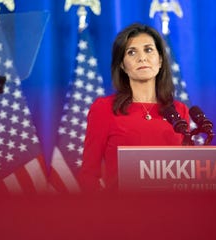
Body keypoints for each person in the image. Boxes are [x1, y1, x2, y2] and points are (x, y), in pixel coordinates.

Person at [78, 23, 189, 192]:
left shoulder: (179, 111)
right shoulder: (104, 108)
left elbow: (187, 174)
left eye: (148, 50)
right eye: (131, 52)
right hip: (123, 213)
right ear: (122, 65)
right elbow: (88, 174)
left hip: (171, 211)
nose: (142, 58)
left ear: (160, 60)